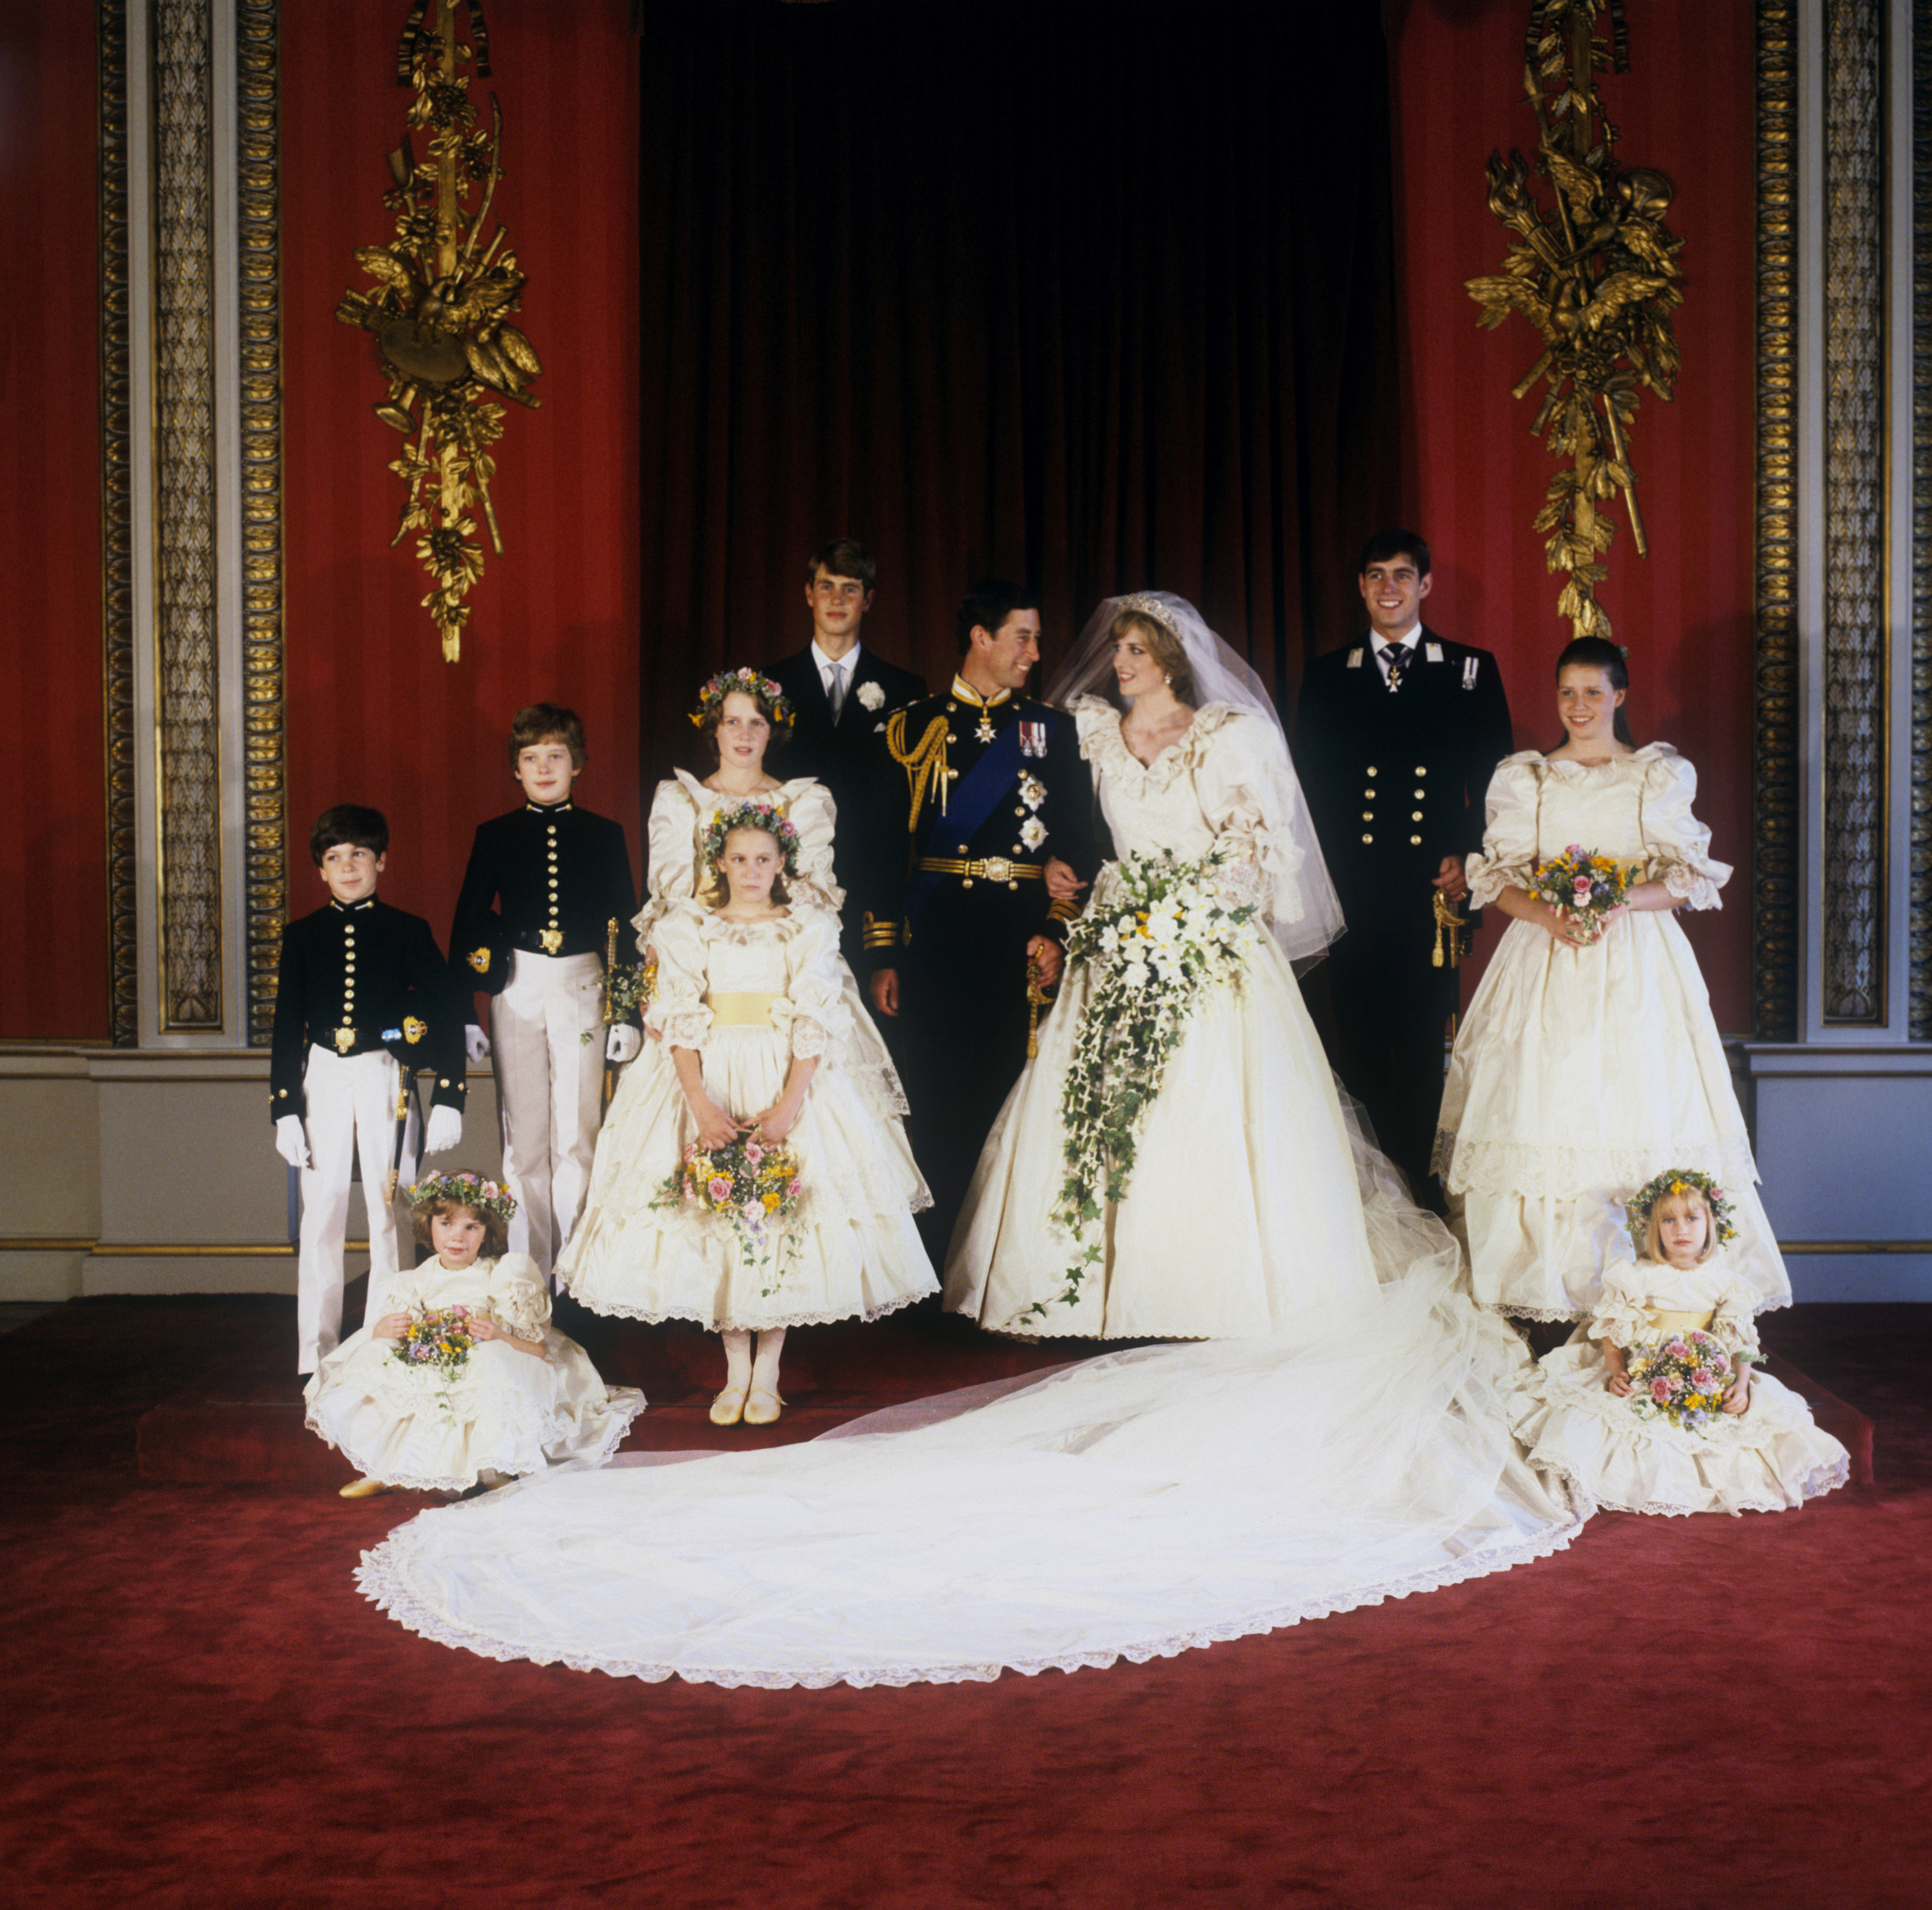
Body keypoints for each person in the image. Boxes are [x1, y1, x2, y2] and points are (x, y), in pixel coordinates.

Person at [947, 591, 1372, 1338]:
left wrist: (1191, 921)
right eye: (1117, 650)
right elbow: (1048, 811)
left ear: (1172, 660)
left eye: (1135, 651)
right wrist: (1054, 863)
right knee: (1091, 1102)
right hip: (1115, 933)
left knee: (1202, 1106)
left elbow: (1251, 850)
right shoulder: (1093, 732)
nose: (1119, 663)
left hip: (1206, 941)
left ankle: (1201, 1293)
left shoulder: (1228, 737)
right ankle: (1078, 1292)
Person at [1434, 637, 1791, 1321]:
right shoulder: (1527, 777)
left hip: (1635, 960)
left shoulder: (1655, 776)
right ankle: (1540, 1291)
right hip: (1546, 957)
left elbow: (1686, 880)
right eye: (1567, 692)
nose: (1578, 706)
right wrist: (1549, 914)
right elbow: (1498, 881)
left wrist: (1613, 902)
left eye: (1593, 693)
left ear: (1620, 697)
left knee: (1637, 1106)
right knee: (1546, 1103)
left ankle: (1656, 1292)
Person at [556, 804, 937, 1427]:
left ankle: (769, 1373)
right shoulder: (690, 926)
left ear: (783, 863)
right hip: (710, 1073)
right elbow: (679, 1018)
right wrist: (700, 1103)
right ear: (721, 864)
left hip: (786, 1073)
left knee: (781, 1214)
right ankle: (735, 1371)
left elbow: (814, 1017)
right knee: (722, 1217)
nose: (753, 870)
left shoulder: (806, 925)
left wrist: (790, 1105)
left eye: (764, 859)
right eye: (740, 859)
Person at [855, 580, 1102, 1249]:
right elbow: (878, 851)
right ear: (981, 638)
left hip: (1019, 940)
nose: (1034, 651)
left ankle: (998, 1264)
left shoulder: (1051, 730)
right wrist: (883, 953)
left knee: (1011, 1101)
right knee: (934, 1102)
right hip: (936, 942)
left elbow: (1082, 842)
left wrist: (1055, 928)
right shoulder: (912, 727)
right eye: (1022, 636)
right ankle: (935, 1266)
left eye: (1037, 638)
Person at [1293, 530, 1514, 1200]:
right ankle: (1364, 1203)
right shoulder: (1330, 674)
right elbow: (1308, 791)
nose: (1389, 587)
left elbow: (1498, 785)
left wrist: (1470, 859)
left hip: (1431, 893)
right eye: (1376, 575)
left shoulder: (1468, 669)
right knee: (1354, 1051)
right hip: (1352, 895)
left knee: (1423, 1057)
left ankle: (1418, 1200)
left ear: (1426, 585)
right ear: (1361, 587)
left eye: (1402, 574)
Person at [637, 667, 907, 1120]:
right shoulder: (681, 800)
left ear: (773, 731)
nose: (744, 735)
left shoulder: (802, 803)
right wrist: (656, 981)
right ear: (714, 729)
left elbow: (813, 900)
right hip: (700, 970)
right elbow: (669, 903)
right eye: (732, 722)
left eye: (757, 723)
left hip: (781, 971)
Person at [1504, 1171, 1847, 1515]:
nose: (1681, 1230)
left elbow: (1740, 1342)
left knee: (1721, 1425)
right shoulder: (1638, 1275)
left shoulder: (1724, 1282)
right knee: (1623, 1418)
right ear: (1654, 1228)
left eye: (1692, 1219)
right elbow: (1613, 1332)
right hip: (1646, 1368)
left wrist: (1742, 1385)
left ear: (1712, 1224)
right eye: (1668, 1220)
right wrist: (1616, 1370)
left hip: (1705, 1372)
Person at [270, 805, 468, 1375]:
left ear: (381, 860)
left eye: (359, 854)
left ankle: (390, 1341)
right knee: (323, 1211)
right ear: (321, 871)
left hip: (386, 1073)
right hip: (324, 1073)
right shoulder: (302, 936)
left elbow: (448, 1012)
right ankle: (317, 1353)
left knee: (390, 1209)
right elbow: (287, 1028)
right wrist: (285, 1108)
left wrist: (450, 1095)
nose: (348, 867)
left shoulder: (407, 930)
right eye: (334, 858)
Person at [306, 1171, 643, 1498]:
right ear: (429, 1225)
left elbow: (537, 1351)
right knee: (379, 1356)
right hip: (436, 1357)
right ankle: (385, 1468)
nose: (458, 1237)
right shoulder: (415, 1281)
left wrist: (499, 1335)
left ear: (486, 1233)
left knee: (488, 1360)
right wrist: (383, 1330)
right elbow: (395, 1330)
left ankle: (494, 1467)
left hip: (492, 1355)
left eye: (472, 1227)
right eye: (447, 1224)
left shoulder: (502, 1275)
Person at [450, 705, 641, 1278]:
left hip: (584, 985)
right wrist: (466, 1012)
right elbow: (466, 923)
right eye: (531, 758)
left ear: (577, 764)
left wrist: (626, 1012)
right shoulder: (496, 836)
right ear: (516, 769)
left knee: (578, 1138)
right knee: (524, 1139)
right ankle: (529, 1273)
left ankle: (577, 1275)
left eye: (556, 756)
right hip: (518, 988)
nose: (543, 768)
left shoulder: (604, 835)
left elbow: (625, 926)